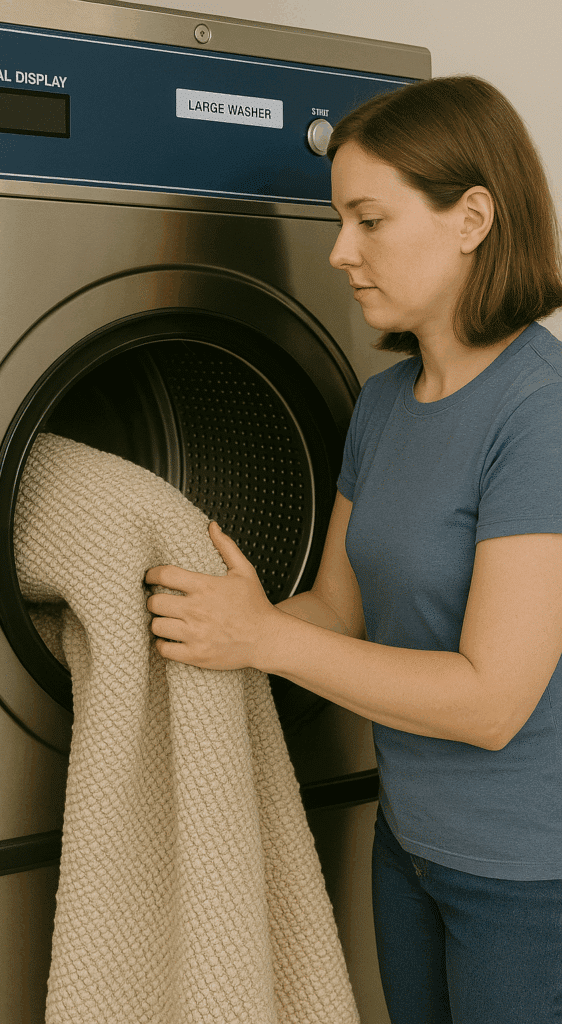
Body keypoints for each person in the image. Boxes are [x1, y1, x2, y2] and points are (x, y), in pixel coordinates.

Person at [144, 75, 562, 1024]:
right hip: (407, 850)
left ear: (472, 217)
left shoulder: (542, 415)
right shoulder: (382, 408)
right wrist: (205, 619)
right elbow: (335, 611)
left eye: (368, 220)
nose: (339, 253)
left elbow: (491, 702)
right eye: (339, 221)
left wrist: (263, 641)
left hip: (531, 882)